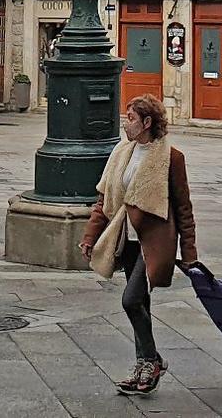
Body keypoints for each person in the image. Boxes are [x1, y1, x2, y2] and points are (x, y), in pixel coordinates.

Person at [81, 95, 198, 395]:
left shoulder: (171, 158)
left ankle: (150, 361)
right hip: (128, 240)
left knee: (130, 300)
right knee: (141, 304)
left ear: (147, 123)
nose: (125, 122)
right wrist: (90, 237)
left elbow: (184, 209)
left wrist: (190, 255)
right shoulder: (122, 153)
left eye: (131, 118)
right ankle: (145, 364)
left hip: (154, 242)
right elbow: (104, 201)